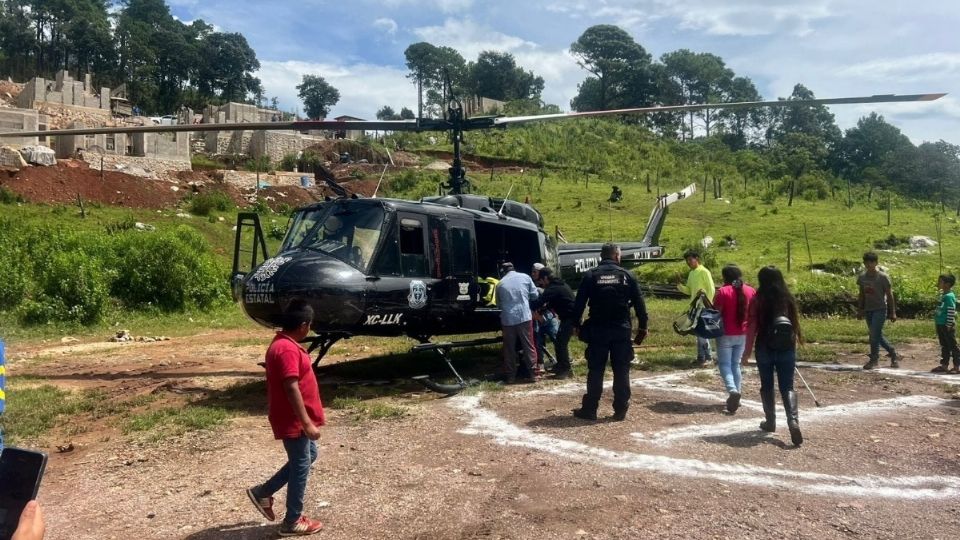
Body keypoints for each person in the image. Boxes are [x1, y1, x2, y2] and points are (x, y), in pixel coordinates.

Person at [247, 299, 325, 536]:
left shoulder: (285, 344)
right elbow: (291, 386)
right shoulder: (287, 349)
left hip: (293, 418)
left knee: (309, 455)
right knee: (302, 463)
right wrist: (306, 422)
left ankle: (263, 492)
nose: (309, 329)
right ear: (303, 325)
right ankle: (292, 521)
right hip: (294, 420)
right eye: (309, 325)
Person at [571, 243, 648, 421]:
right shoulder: (627, 275)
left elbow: (579, 303)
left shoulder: (591, 275)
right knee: (621, 370)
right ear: (616, 256)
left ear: (601, 256)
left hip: (597, 330)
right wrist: (643, 327)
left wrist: (576, 324)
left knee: (596, 370)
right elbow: (639, 304)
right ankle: (620, 409)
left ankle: (590, 409)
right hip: (621, 330)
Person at [742, 266, 803, 446]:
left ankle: (770, 421)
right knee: (788, 387)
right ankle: (793, 421)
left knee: (767, 385)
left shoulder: (758, 299)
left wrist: (746, 353)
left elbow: (752, 327)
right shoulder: (787, 298)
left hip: (765, 346)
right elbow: (795, 325)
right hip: (786, 346)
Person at [711, 264, 756, 414]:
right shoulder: (750, 290)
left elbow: (715, 313)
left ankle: (732, 390)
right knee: (735, 364)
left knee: (724, 364)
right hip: (743, 334)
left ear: (725, 277)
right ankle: (738, 393)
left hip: (725, 334)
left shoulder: (722, 292)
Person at [495, 262, 540, 383]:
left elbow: (498, 304)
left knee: (509, 349)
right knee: (529, 345)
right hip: (524, 317)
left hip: (508, 320)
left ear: (503, 271)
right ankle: (534, 374)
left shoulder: (500, 284)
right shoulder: (525, 277)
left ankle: (510, 376)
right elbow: (535, 295)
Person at [857, 252, 899, 369]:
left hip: (880, 309)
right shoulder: (862, 278)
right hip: (868, 309)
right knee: (877, 335)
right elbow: (861, 294)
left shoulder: (883, 277)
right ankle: (892, 351)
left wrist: (893, 312)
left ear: (876, 263)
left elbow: (889, 295)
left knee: (873, 335)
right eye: (866, 262)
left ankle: (874, 359)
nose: (869, 265)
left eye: (871, 262)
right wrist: (860, 309)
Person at [532, 267, 576, 379]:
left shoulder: (552, 288)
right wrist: (542, 311)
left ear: (546, 278)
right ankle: (561, 366)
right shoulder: (559, 285)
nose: (541, 284)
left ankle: (565, 370)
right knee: (559, 342)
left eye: (541, 281)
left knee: (561, 343)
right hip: (569, 317)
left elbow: (539, 302)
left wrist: (527, 305)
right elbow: (550, 303)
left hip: (570, 318)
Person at [678, 250, 716, 366]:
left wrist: (707, 304)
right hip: (695, 307)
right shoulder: (691, 273)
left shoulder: (704, 272)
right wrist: (679, 285)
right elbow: (689, 290)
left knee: (702, 333)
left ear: (696, 259)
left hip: (703, 307)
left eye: (690, 259)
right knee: (698, 333)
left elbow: (711, 289)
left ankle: (707, 357)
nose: (688, 262)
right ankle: (701, 357)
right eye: (687, 261)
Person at [931, 274, 960, 374]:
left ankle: (957, 366)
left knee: (953, 346)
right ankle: (944, 365)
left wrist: (948, 324)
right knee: (944, 345)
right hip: (940, 324)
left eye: (940, 282)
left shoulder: (949, 296)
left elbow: (951, 310)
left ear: (947, 284)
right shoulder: (943, 295)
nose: (938, 283)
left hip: (946, 325)